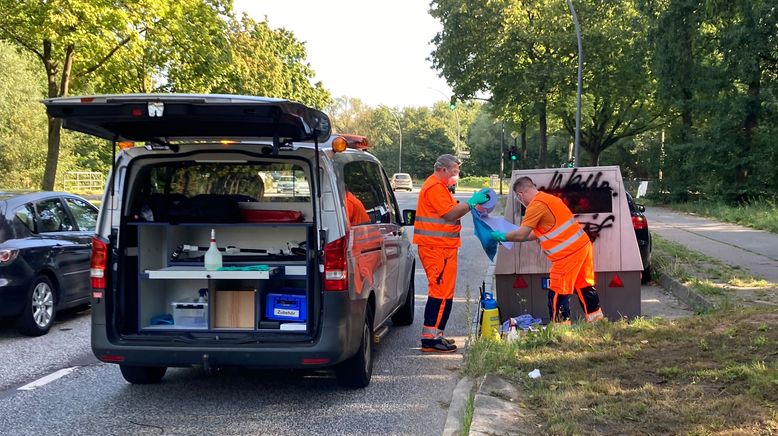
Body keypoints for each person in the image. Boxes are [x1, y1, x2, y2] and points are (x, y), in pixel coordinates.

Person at [491, 176, 604, 324]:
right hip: (582, 247)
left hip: (567, 254)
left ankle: (561, 330)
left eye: (519, 199)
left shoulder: (535, 205)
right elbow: (532, 234)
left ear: (520, 195)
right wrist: (513, 236)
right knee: (584, 285)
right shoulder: (549, 199)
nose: (521, 202)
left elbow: (522, 234)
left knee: (557, 291)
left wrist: (502, 236)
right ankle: (597, 322)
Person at [414, 154, 489, 352]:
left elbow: (451, 210)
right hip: (436, 248)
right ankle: (429, 339)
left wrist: (471, 206)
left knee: (445, 293)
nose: (457, 175)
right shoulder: (435, 188)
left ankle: (437, 334)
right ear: (442, 170)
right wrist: (471, 203)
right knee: (439, 293)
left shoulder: (441, 188)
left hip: (443, 248)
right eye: (455, 172)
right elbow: (450, 214)